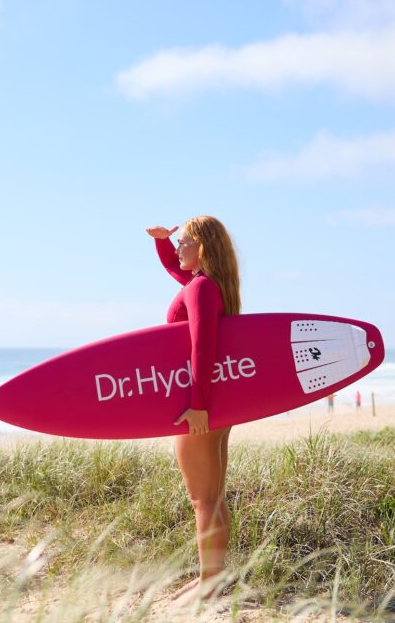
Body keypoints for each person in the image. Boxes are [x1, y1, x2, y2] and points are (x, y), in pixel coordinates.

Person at [146, 216, 241, 601]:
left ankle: (208, 585)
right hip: (219, 405)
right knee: (213, 496)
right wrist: (162, 242)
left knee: (203, 499)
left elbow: (203, 347)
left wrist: (197, 407)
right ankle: (213, 578)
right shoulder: (209, 284)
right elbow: (175, 266)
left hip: (201, 406)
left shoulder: (201, 288)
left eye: (184, 241)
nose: (178, 248)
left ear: (202, 247)